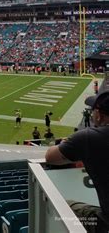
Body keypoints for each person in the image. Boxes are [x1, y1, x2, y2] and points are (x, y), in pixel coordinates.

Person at [45, 91, 109, 233]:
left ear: (99, 114)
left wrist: (70, 143)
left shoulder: (88, 138)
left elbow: (50, 157)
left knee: (60, 208)